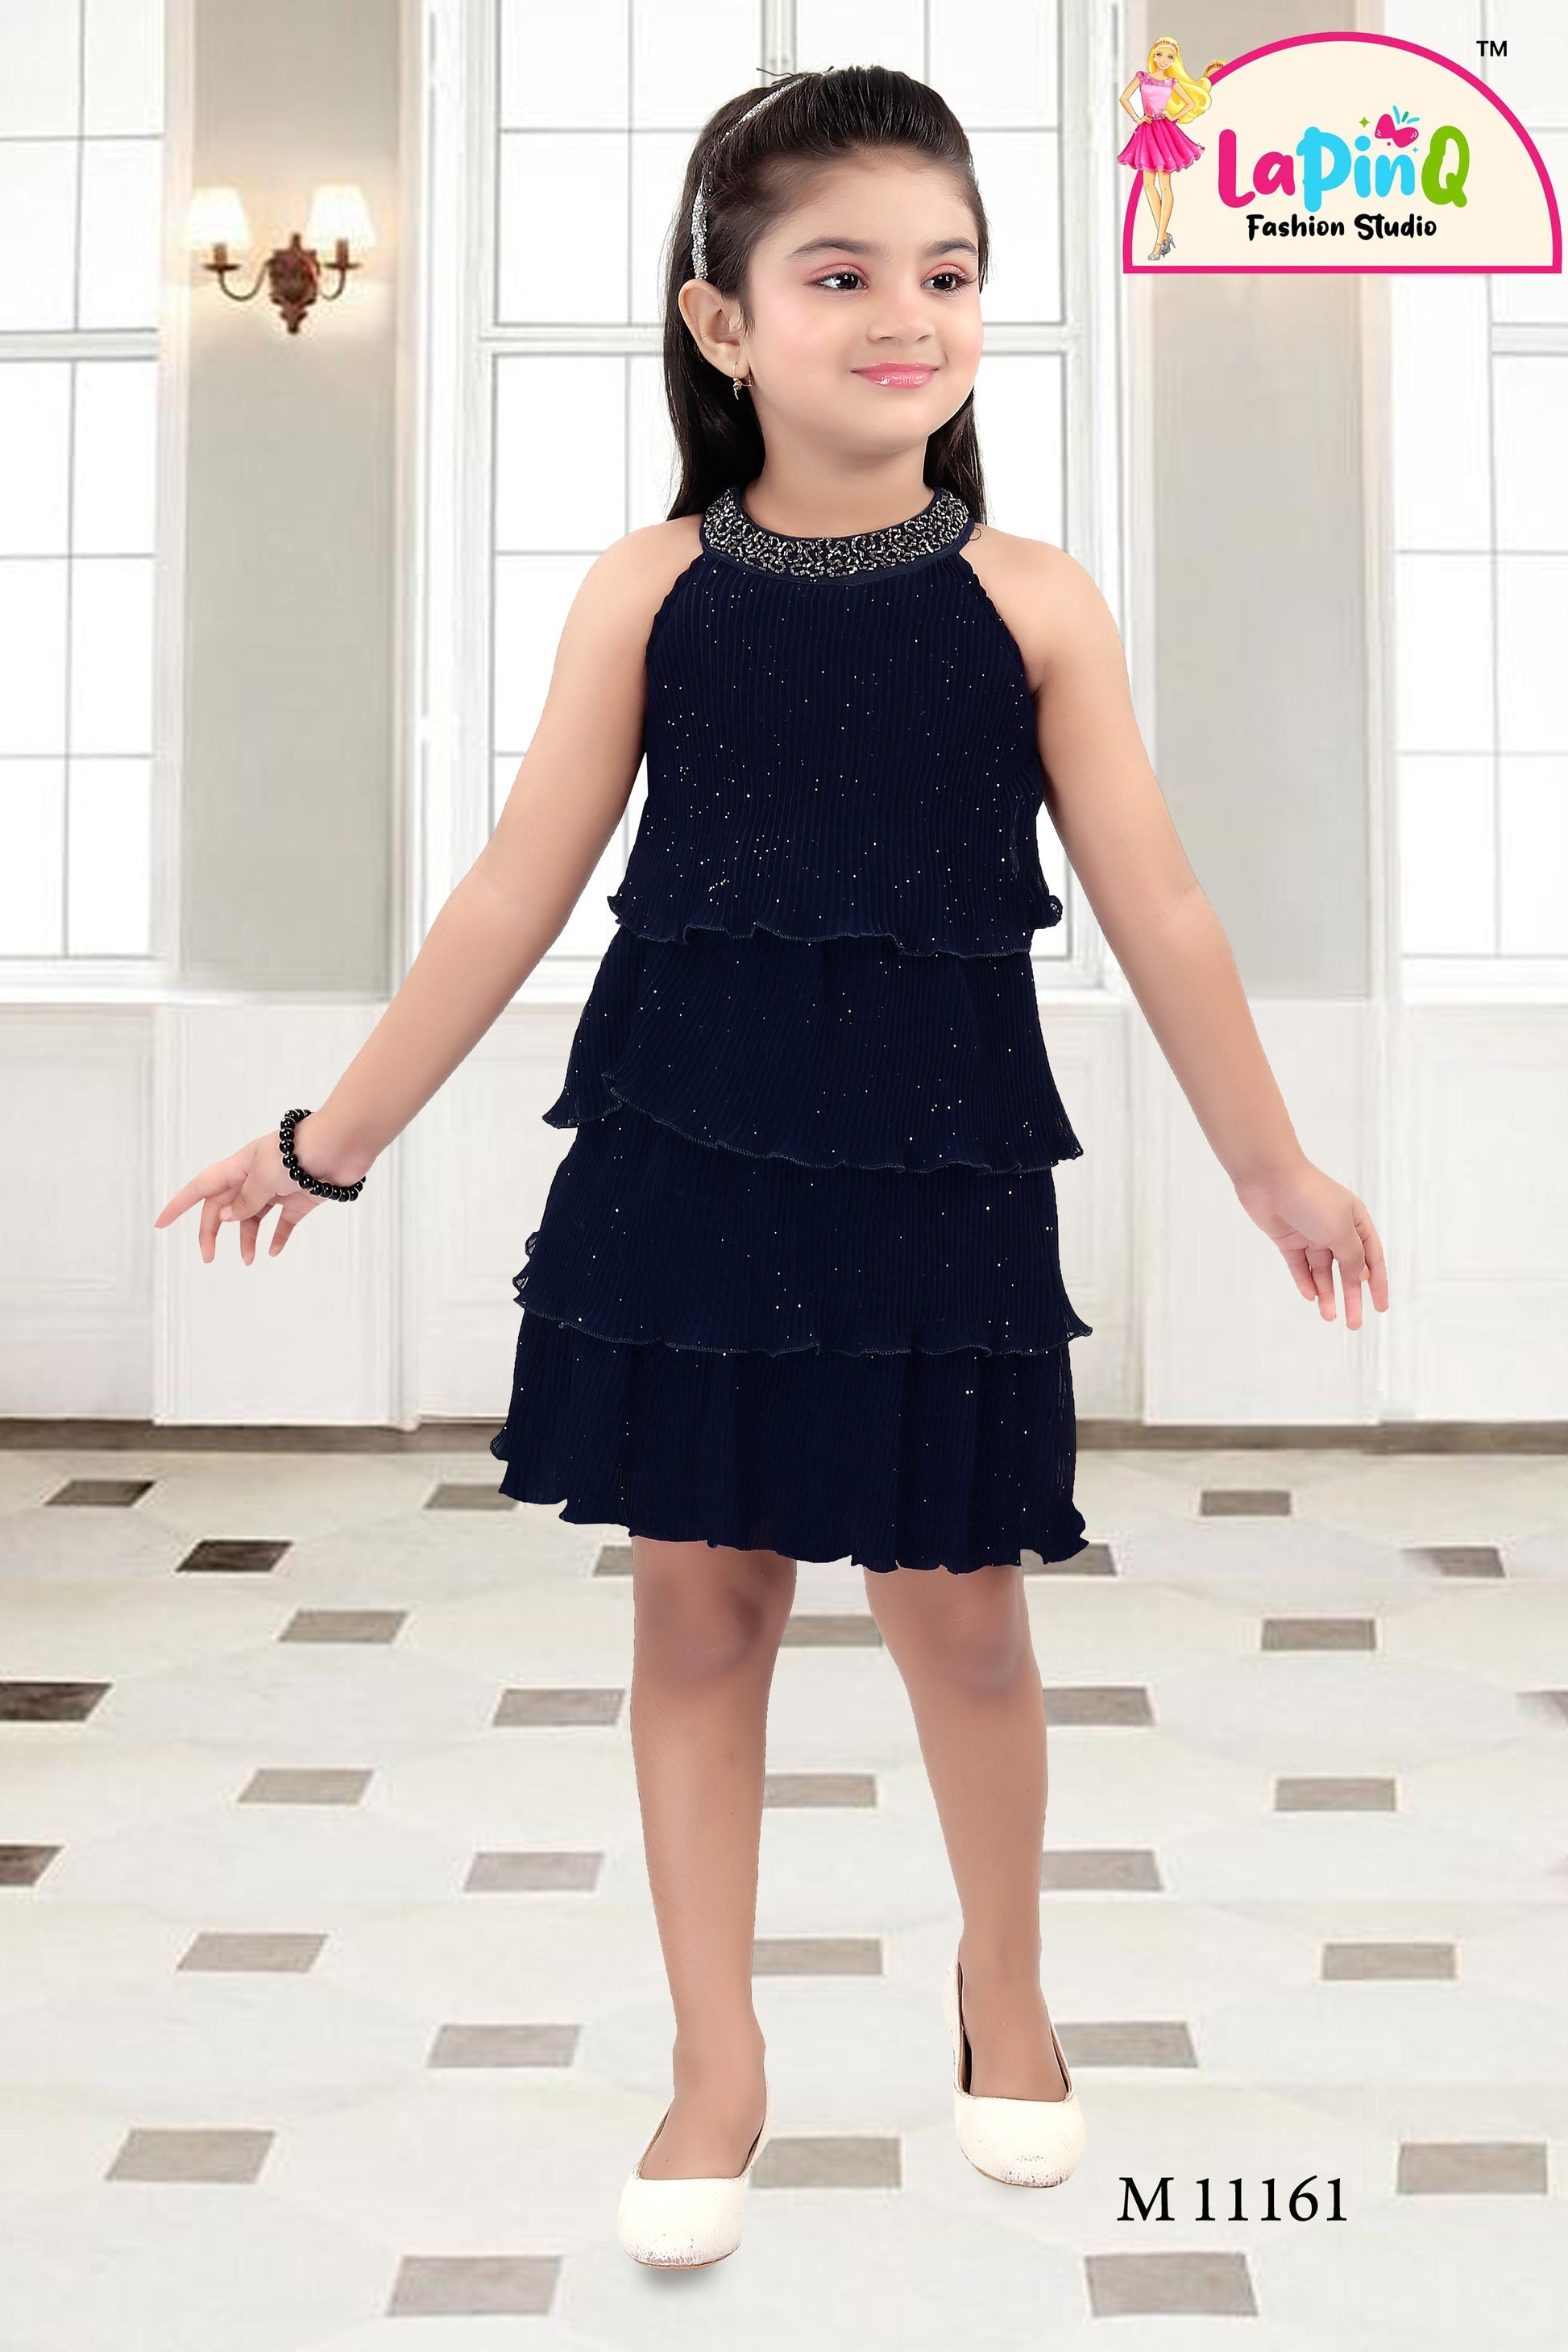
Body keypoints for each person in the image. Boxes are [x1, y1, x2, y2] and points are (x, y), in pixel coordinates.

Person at [155, 63, 1388, 2269]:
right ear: (725, 323)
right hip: (686, 1150)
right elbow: (507, 896)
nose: (903, 314)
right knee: (699, 1612)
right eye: (842, 274)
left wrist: (1274, 1166)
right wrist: (322, 1145)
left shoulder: (1035, 601)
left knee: (965, 1620)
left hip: (935, 1169)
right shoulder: (645, 588)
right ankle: (713, 2052)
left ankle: (1004, 1989)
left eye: (946, 273)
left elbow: (1163, 908)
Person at [1117, 35, 1225, 259]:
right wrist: (1138, 118)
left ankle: (1159, 241)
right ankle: (1163, 234)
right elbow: (1124, 98)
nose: (1163, 60)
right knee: (1148, 183)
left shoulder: (1171, 82)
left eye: (1169, 57)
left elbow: (1191, 103)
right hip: (1147, 130)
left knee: (1164, 184)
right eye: (1160, 55)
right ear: (1153, 56)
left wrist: (1173, 116)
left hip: (1164, 130)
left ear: (1175, 61)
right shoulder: (1142, 78)